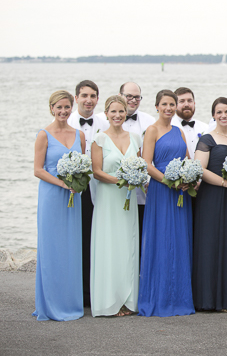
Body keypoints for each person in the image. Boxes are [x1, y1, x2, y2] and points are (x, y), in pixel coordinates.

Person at [138, 90, 194, 317]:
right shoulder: (151, 130)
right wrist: (168, 181)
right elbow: (146, 164)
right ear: (157, 107)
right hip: (162, 192)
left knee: (180, 241)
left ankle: (179, 297)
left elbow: (188, 160)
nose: (169, 108)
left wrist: (189, 178)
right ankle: (159, 297)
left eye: (173, 104)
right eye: (165, 104)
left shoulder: (179, 131)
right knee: (161, 240)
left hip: (180, 192)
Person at [33, 90, 85, 321]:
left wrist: (77, 183)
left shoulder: (79, 135)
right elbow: (38, 170)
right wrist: (63, 185)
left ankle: (71, 302)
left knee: (71, 248)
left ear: (71, 108)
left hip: (74, 197)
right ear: (51, 108)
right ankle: (50, 304)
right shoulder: (44, 134)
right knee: (52, 248)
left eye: (66, 107)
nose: (63, 111)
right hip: (52, 197)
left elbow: (83, 166)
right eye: (59, 107)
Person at [192, 97, 227, 312]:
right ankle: (207, 299)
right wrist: (226, 183)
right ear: (213, 115)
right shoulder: (207, 139)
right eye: (219, 112)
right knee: (210, 245)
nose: (223, 115)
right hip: (211, 198)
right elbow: (200, 169)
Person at [89, 95, 141, 317]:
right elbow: (97, 172)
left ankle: (128, 300)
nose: (118, 115)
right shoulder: (98, 139)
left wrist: (135, 179)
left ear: (126, 112)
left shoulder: (136, 137)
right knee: (109, 247)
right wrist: (122, 180)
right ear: (107, 114)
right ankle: (109, 300)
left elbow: (139, 165)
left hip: (128, 200)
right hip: (108, 199)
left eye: (121, 111)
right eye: (113, 112)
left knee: (127, 247)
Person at [67, 80, 109, 307]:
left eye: (93, 96)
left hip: (102, 190)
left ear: (97, 99)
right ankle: (78, 292)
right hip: (77, 191)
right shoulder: (68, 122)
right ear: (76, 98)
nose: (88, 100)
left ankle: (96, 290)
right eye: (84, 95)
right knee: (79, 240)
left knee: (98, 241)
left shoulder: (105, 122)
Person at [116, 82, 156, 258]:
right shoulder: (106, 119)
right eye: (128, 96)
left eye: (137, 97)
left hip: (143, 193)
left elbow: (153, 156)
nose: (133, 100)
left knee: (141, 239)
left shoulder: (149, 121)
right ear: (120, 95)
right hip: (114, 190)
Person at [171, 87, 208, 159]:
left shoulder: (206, 128)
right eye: (182, 101)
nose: (186, 104)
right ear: (175, 105)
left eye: (189, 101)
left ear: (194, 103)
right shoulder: (169, 127)